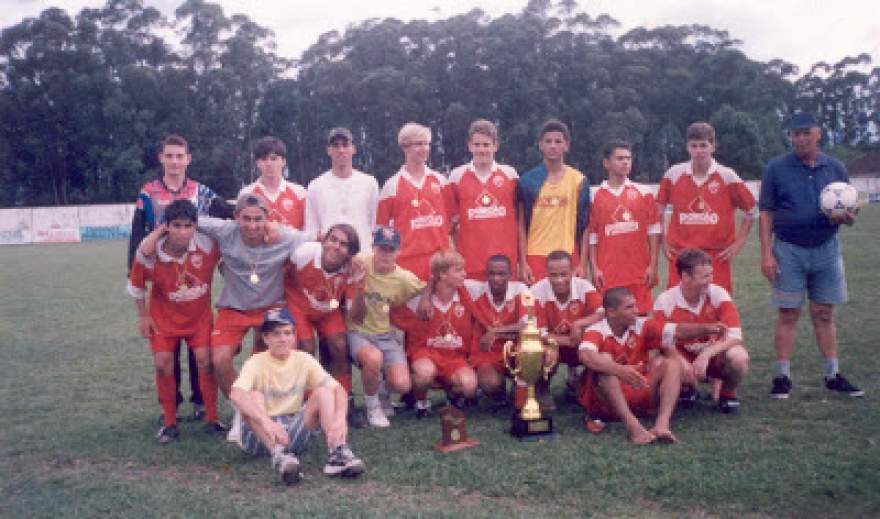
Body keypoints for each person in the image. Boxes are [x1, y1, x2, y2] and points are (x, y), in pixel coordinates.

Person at [759, 112, 862, 399]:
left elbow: (850, 211)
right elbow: (765, 212)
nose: (801, 139)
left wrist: (847, 217)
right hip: (789, 249)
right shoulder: (776, 168)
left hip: (827, 249)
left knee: (824, 313)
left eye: (806, 133)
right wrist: (766, 253)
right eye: (795, 134)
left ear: (819, 134)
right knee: (789, 313)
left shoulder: (836, 167)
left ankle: (832, 374)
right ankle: (782, 377)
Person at [127, 134, 224, 422]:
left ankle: (201, 402)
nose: (174, 161)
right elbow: (137, 235)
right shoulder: (148, 192)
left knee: (201, 353)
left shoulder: (201, 191)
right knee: (166, 354)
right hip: (161, 270)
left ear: (188, 159)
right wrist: (134, 268)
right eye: (169, 155)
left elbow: (226, 213)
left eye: (179, 156)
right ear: (161, 158)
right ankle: (169, 405)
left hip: (194, 265)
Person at [230, 308, 365, 485]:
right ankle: (279, 456)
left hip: (291, 429)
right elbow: (235, 394)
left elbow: (338, 389)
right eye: (276, 334)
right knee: (252, 396)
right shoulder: (255, 362)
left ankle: (337, 454)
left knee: (324, 392)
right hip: (259, 435)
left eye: (287, 333)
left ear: (294, 336)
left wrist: (340, 419)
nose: (282, 338)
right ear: (266, 338)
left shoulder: (303, 359)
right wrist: (267, 422)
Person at [578, 287, 727, 444]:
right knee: (605, 366)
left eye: (635, 305)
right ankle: (634, 428)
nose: (636, 311)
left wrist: (706, 328)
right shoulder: (596, 330)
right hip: (607, 404)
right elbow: (585, 355)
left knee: (672, 363)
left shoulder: (641, 324)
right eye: (629, 307)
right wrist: (620, 370)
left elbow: (677, 330)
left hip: (639, 392)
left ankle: (661, 425)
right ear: (611, 312)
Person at [197, 193, 308, 398]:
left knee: (282, 350)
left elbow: (317, 238)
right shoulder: (225, 230)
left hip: (271, 306)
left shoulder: (283, 236)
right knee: (219, 360)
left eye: (258, 219)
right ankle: (243, 409)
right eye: (246, 218)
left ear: (267, 219)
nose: (252, 225)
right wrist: (158, 232)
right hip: (234, 307)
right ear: (236, 217)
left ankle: (273, 402)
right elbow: (191, 220)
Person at [657, 122, 757, 294]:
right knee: (679, 307)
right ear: (687, 147)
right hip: (682, 255)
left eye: (703, 145)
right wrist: (664, 241)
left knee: (715, 307)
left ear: (713, 146)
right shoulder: (674, 174)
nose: (699, 151)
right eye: (694, 146)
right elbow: (658, 207)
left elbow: (751, 209)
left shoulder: (727, 176)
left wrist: (738, 243)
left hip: (715, 256)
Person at [346, 226, 426, 427]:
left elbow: (425, 288)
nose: (386, 254)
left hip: (385, 334)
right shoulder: (361, 263)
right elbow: (346, 257)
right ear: (373, 248)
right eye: (382, 248)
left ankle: (381, 391)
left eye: (391, 249)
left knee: (402, 384)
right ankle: (372, 408)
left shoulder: (405, 278)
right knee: (373, 358)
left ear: (398, 251)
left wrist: (426, 300)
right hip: (358, 332)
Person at [652, 248, 750, 413]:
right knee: (659, 363)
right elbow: (661, 340)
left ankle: (727, 394)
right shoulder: (665, 300)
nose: (710, 281)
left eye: (711, 275)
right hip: (683, 357)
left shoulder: (718, 294)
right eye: (704, 276)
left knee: (739, 357)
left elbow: (735, 335)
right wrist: (682, 363)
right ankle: (686, 388)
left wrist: (706, 354)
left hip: (713, 356)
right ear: (685, 276)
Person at [283, 224, 362, 424]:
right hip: (298, 305)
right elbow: (280, 268)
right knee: (306, 347)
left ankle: (346, 399)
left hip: (328, 310)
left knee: (340, 346)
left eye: (344, 245)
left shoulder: (352, 269)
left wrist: (360, 284)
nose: (335, 246)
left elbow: (356, 315)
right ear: (324, 240)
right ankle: (307, 402)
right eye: (333, 239)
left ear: (350, 253)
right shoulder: (306, 253)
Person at [397, 250, 478, 416]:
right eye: (458, 270)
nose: (465, 273)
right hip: (426, 354)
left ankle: (453, 395)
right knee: (424, 372)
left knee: (469, 386)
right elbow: (395, 313)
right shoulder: (419, 300)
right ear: (442, 274)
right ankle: (419, 400)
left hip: (455, 358)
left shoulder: (469, 292)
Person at [588, 140, 661, 314]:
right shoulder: (594, 195)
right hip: (608, 271)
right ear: (606, 163)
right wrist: (595, 267)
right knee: (610, 317)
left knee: (639, 315)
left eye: (628, 158)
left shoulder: (644, 192)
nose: (625, 162)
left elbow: (653, 231)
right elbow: (592, 236)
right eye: (619, 158)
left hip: (638, 270)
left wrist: (652, 265)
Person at [516, 119, 591, 284]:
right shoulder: (527, 181)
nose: (553, 146)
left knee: (569, 307)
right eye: (548, 141)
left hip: (568, 255)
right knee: (533, 308)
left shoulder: (579, 180)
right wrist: (523, 262)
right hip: (535, 256)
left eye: (558, 141)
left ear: (567, 146)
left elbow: (585, 226)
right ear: (540, 145)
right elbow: (521, 225)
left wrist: (582, 263)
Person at [376, 122, 452, 281]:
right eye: (418, 144)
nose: (424, 148)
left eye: (427, 144)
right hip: (407, 265)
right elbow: (381, 230)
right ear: (405, 147)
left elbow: (453, 222)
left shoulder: (441, 181)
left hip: (439, 264)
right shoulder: (391, 186)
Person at [448, 119, 519, 280]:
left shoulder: (510, 175)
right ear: (469, 146)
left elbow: (519, 217)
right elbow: (450, 223)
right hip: (470, 263)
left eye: (486, 145)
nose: (481, 149)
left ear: (496, 146)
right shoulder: (456, 176)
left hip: (505, 263)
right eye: (477, 144)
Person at [532, 250, 604, 404]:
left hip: (579, 343)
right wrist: (566, 341)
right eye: (554, 275)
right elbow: (536, 333)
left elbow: (602, 314)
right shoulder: (536, 291)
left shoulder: (584, 287)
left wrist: (579, 324)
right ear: (547, 273)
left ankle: (581, 382)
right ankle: (542, 389)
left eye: (564, 274)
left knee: (599, 348)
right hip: (555, 344)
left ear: (572, 272)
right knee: (546, 353)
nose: (559, 280)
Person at [461, 255, 528, 405]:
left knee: (531, 359)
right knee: (491, 384)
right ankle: (499, 393)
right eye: (492, 273)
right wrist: (426, 296)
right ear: (486, 274)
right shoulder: (475, 289)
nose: (496, 279)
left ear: (510, 274)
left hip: (514, 351)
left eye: (501, 274)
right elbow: (443, 277)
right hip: (486, 354)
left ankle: (525, 389)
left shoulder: (520, 289)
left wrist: (495, 332)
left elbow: (526, 325)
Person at [304, 127, 379, 248]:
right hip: (330, 259)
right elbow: (312, 230)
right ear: (329, 150)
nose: (341, 150)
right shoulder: (315, 186)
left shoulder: (370, 183)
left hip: (362, 256)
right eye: (336, 146)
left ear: (353, 149)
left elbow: (375, 225)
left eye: (345, 145)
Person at [239, 136, 307, 230]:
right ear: (257, 163)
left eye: (273, 158)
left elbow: (306, 229)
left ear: (283, 162)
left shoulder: (300, 193)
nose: (268, 163)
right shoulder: (246, 194)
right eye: (264, 159)